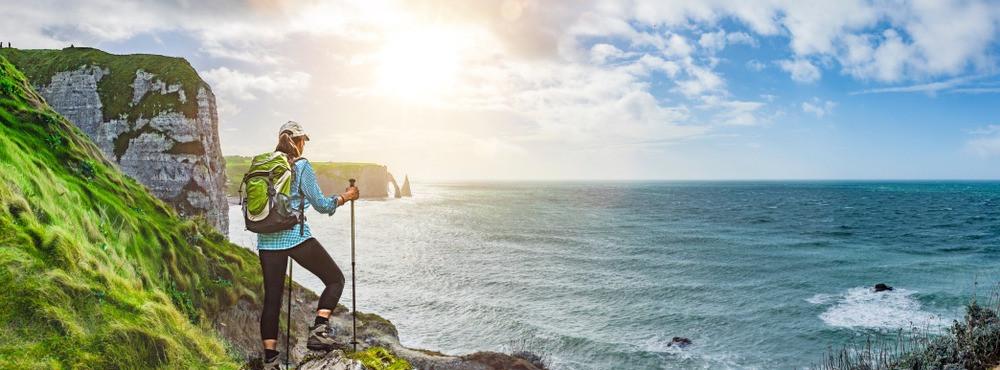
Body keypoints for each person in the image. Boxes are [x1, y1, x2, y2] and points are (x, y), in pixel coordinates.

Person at [256, 121, 359, 369]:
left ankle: (270, 360)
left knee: (272, 299)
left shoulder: (265, 164)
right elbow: (322, 204)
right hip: (295, 237)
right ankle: (319, 330)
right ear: (299, 141)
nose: (304, 145)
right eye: (304, 140)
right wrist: (346, 196)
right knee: (335, 279)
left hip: (267, 239)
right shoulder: (301, 166)